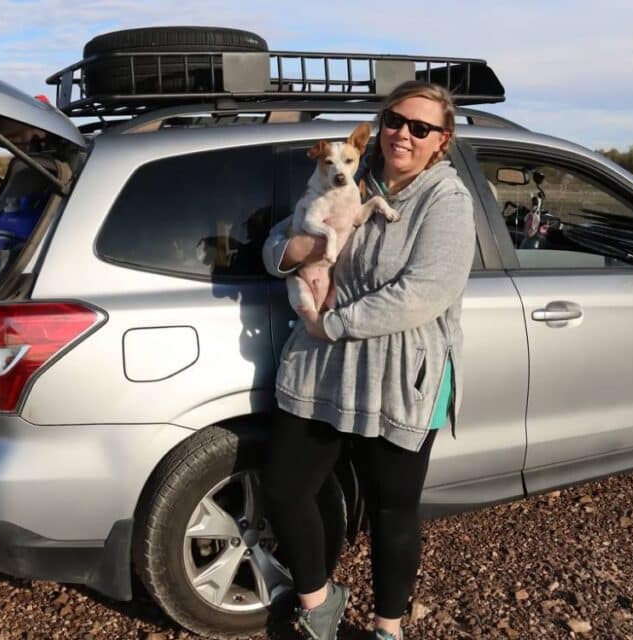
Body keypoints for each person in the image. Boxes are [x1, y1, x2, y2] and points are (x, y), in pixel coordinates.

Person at [260, 80, 475, 640]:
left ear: (441, 142)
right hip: (321, 368)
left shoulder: (445, 201)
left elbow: (425, 292)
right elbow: (274, 249)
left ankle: (387, 629)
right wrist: (308, 246)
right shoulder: (346, 180)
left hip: (397, 373)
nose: (404, 133)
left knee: (391, 510)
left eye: (421, 127)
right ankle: (319, 601)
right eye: (395, 120)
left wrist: (332, 323)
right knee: (284, 487)